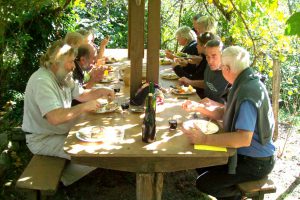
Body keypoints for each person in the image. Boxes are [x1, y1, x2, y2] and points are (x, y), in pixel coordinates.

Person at [181, 46, 275, 200]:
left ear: (227, 68)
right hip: (247, 156)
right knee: (200, 161)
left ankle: (239, 197)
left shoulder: (247, 92)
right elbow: (225, 112)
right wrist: (199, 107)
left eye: (222, 67)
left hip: (256, 162)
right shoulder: (244, 82)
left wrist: (205, 139)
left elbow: (243, 139)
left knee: (205, 183)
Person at [22, 40, 115, 186]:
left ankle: (65, 175)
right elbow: (55, 117)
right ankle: (60, 181)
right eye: (70, 62)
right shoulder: (42, 81)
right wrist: (84, 107)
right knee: (94, 154)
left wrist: (101, 91)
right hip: (43, 139)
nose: (73, 66)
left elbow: (81, 94)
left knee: (101, 134)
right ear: (55, 62)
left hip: (59, 131)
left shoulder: (62, 74)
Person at [179, 39, 228, 103]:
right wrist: (190, 82)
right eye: (207, 56)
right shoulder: (209, 66)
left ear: (223, 55)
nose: (210, 61)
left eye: (214, 56)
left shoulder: (229, 75)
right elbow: (208, 83)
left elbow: (230, 109)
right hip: (203, 105)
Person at [172, 32, 215, 98]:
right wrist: (186, 65)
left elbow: (206, 83)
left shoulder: (210, 62)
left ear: (204, 46)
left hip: (200, 96)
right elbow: (195, 76)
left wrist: (177, 68)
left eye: (198, 44)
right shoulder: (204, 58)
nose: (196, 46)